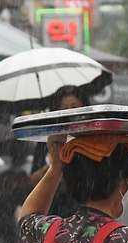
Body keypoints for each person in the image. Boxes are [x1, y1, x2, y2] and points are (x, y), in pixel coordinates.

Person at [29, 86, 87, 218]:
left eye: (74, 107)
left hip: (82, 211)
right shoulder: (46, 140)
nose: (69, 112)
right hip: (51, 210)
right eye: (63, 108)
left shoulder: (91, 139)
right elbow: (33, 180)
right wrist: (51, 168)